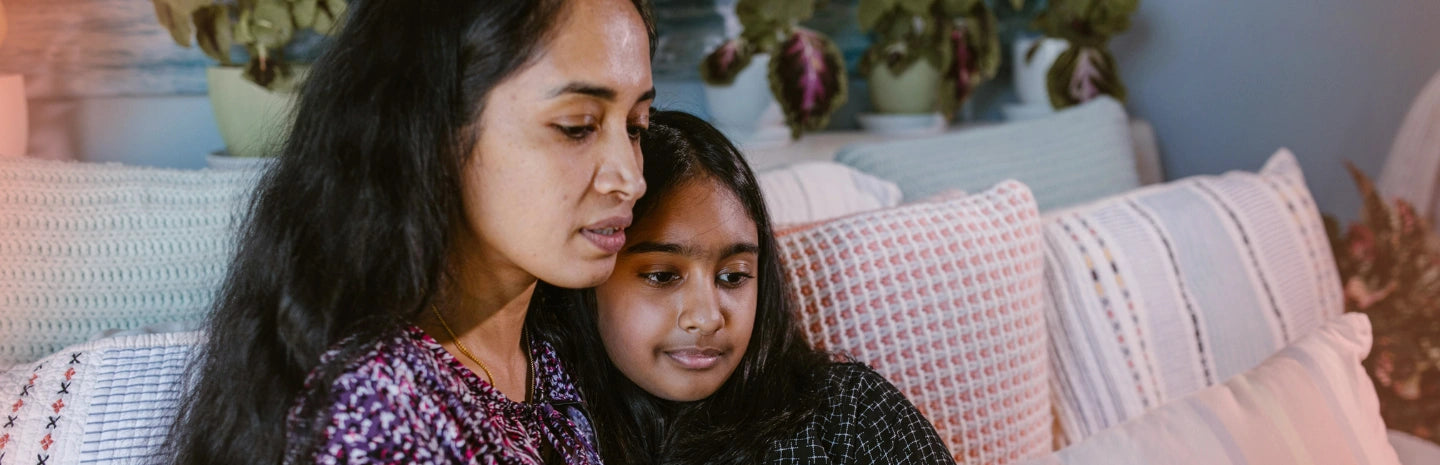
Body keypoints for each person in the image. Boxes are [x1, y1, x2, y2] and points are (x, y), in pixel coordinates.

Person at [165, 0, 657, 463]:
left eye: (636, 126)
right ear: (431, 130)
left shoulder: (562, 338)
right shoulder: (374, 413)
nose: (631, 180)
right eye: (577, 126)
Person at [536, 111, 954, 464]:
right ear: (589, 279)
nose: (707, 318)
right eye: (662, 276)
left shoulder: (851, 414)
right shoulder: (546, 434)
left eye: (733, 277)